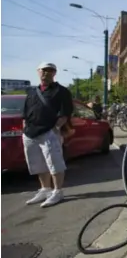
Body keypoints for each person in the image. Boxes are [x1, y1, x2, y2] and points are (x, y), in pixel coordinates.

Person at [22, 62, 73, 208]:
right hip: (30, 134)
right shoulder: (32, 92)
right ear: (38, 72)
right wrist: (24, 129)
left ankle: (58, 191)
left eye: (51, 71)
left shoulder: (61, 91)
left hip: (49, 132)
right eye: (44, 70)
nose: (47, 73)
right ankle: (45, 189)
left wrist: (56, 128)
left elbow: (66, 112)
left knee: (54, 162)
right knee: (38, 163)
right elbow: (25, 113)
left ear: (54, 73)